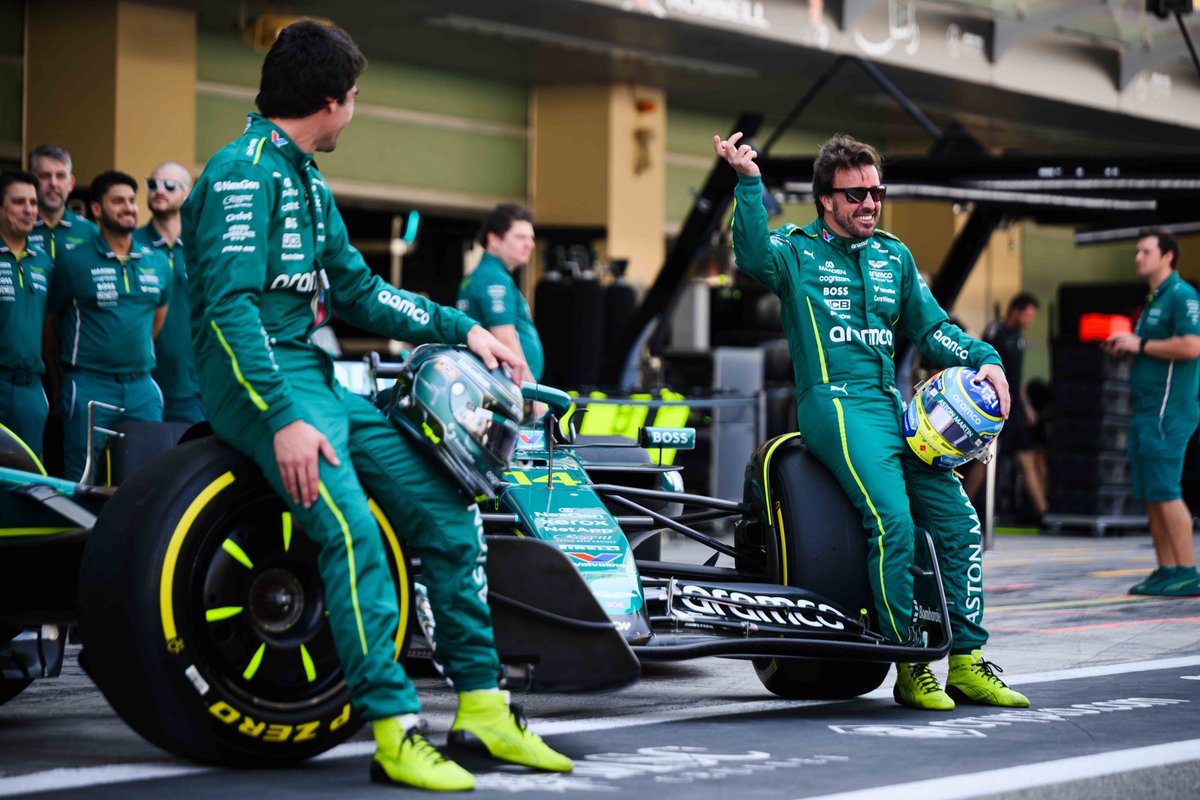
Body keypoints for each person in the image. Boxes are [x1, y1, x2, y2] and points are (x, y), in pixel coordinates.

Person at [181, 21, 571, 791]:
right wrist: (281, 419)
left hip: (320, 380)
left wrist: (467, 330)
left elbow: (360, 293)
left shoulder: (307, 181)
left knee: (448, 511)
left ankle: (484, 709)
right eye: (354, 98)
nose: (354, 111)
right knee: (356, 536)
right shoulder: (241, 173)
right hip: (262, 387)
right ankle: (395, 732)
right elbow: (228, 312)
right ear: (331, 102)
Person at [715, 131, 1029, 711]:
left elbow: (932, 329)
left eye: (876, 192)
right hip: (831, 403)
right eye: (855, 194)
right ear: (826, 200)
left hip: (893, 405)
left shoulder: (894, 255)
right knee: (895, 522)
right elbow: (752, 255)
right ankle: (910, 664)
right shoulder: (795, 251)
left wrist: (988, 360)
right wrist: (748, 182)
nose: (869, 204)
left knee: (959, 523)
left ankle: (965, 662)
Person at [47, 171, 171, 482]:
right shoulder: (73, 261)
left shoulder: (155, 261)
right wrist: (59, 377)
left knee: (145, 478)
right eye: (118, 201)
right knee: (82, 480)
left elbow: (158, 313)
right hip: (89, 384)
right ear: (98, 210)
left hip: (141, 385)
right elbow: (50, 323)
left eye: (131, 200)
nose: (128, 207)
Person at [1103, 229, 1200, 597]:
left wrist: (1139, 342)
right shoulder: (1153, 300)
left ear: (1168, 256)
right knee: (1150, 492)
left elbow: (1192, 346)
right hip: (1146, 409)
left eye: (1145, 251)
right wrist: (1129, 347)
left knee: (1166, 490)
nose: (1138, 257)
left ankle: (1188, 571)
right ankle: (1166, 568)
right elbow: (1154, 347)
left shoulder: (1181, 296)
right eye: (1137, 251)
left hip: (1168, 411)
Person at [132, 162, 203, 424]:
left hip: (195, 386)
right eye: (153, 185)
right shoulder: (131, 244)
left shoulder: (203, 246)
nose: (159, 191)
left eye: (170, 186)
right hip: (143, 382)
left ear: (187, 194)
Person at [457, 204, 544, 381]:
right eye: (520, 237)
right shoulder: (493, 278)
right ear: (494, 239)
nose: (530, 244)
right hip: (505, 388)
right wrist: (535, 398)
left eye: (531, 238)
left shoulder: (482, 275)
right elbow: (505, 339)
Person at [0, 171, 54, 456]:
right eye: (19, 202)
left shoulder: (43, 261)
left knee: (30, 481)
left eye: (33, 203)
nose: (29, 209)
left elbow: (50, 325)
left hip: (31, 387)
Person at [979, 293, 1046, 519]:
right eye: (1027, 315)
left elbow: (1018, 379)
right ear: (1015, 311)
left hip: (1015, 410)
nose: (1029, 321)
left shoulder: (1019, 339)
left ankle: (1044, 514)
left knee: (1027, 457)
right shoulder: (994, 333)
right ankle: (963, 509)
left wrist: (1027, 406)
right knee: (984, 458)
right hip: (995, 406)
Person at [27, 145, 98, 261]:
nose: (53, 183)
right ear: (30, 181)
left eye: (60, 176)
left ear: (71, 183)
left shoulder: (90, 232)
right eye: (45, 175)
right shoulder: (15, 230)